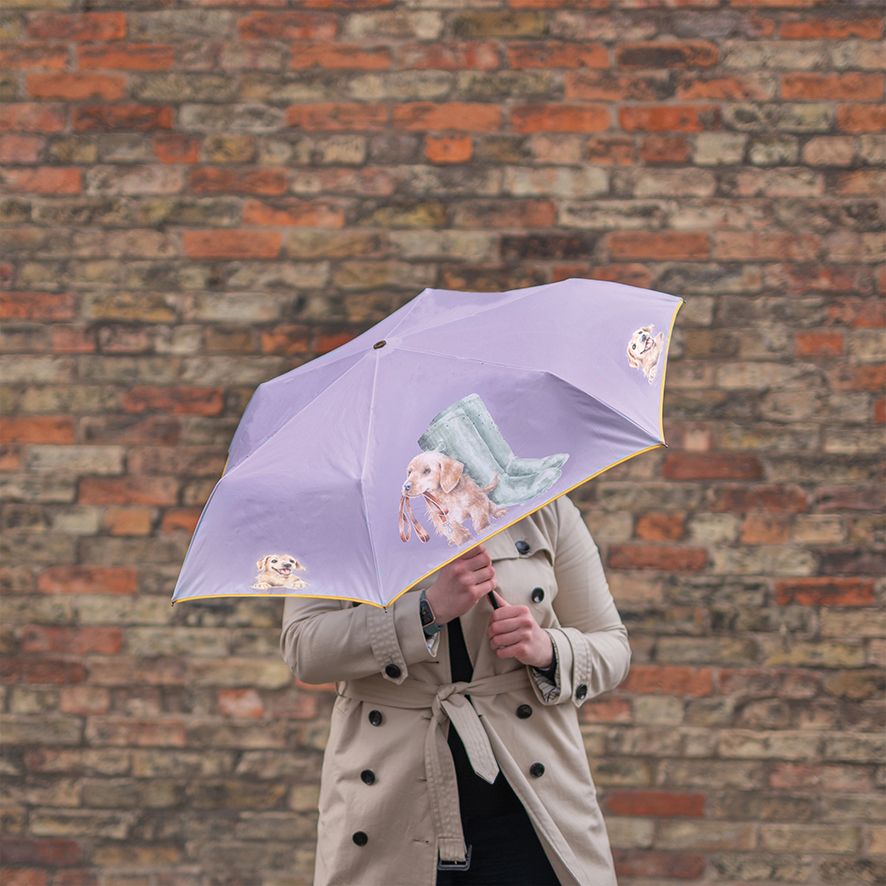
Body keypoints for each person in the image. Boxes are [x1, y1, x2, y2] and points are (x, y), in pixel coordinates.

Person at [280, 494, 631, 885]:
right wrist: (426, 611)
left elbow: (612, 646)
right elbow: (304, 647)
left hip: (532, 810)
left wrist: (547, 648)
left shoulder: (542, 507)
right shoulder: (337, 516)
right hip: (389, 811)